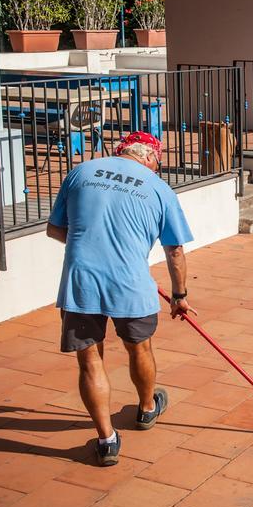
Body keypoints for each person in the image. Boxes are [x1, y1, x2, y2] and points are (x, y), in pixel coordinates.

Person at [47, 131, 195, 466]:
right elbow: (175, 251)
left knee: (89, 361)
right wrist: (179, 295)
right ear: (149, 156)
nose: (158, 167)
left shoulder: (81, 172)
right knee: (139, 347)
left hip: (80, 280)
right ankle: (146, 408)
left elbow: (56, 229)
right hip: (131, 282)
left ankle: (106, 440)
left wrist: (91, 243)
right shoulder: (159, 189)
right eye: (159, 161)